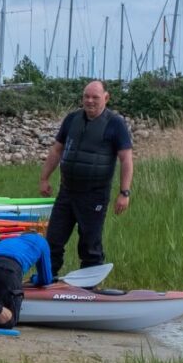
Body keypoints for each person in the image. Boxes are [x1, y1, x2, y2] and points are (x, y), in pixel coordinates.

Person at [39, 80, 134, 275]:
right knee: (53, 241)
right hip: (67, 192)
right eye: (86, 97)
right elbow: (57, 150)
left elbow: (126, 159)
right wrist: (45, 178)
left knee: (89, 244)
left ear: (106, 98)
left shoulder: (115, 124)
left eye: (95, 97)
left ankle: (89, 287)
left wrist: (124, 192)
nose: (90, 101)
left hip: (94, 195)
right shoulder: (72, 119)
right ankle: (46, 280)